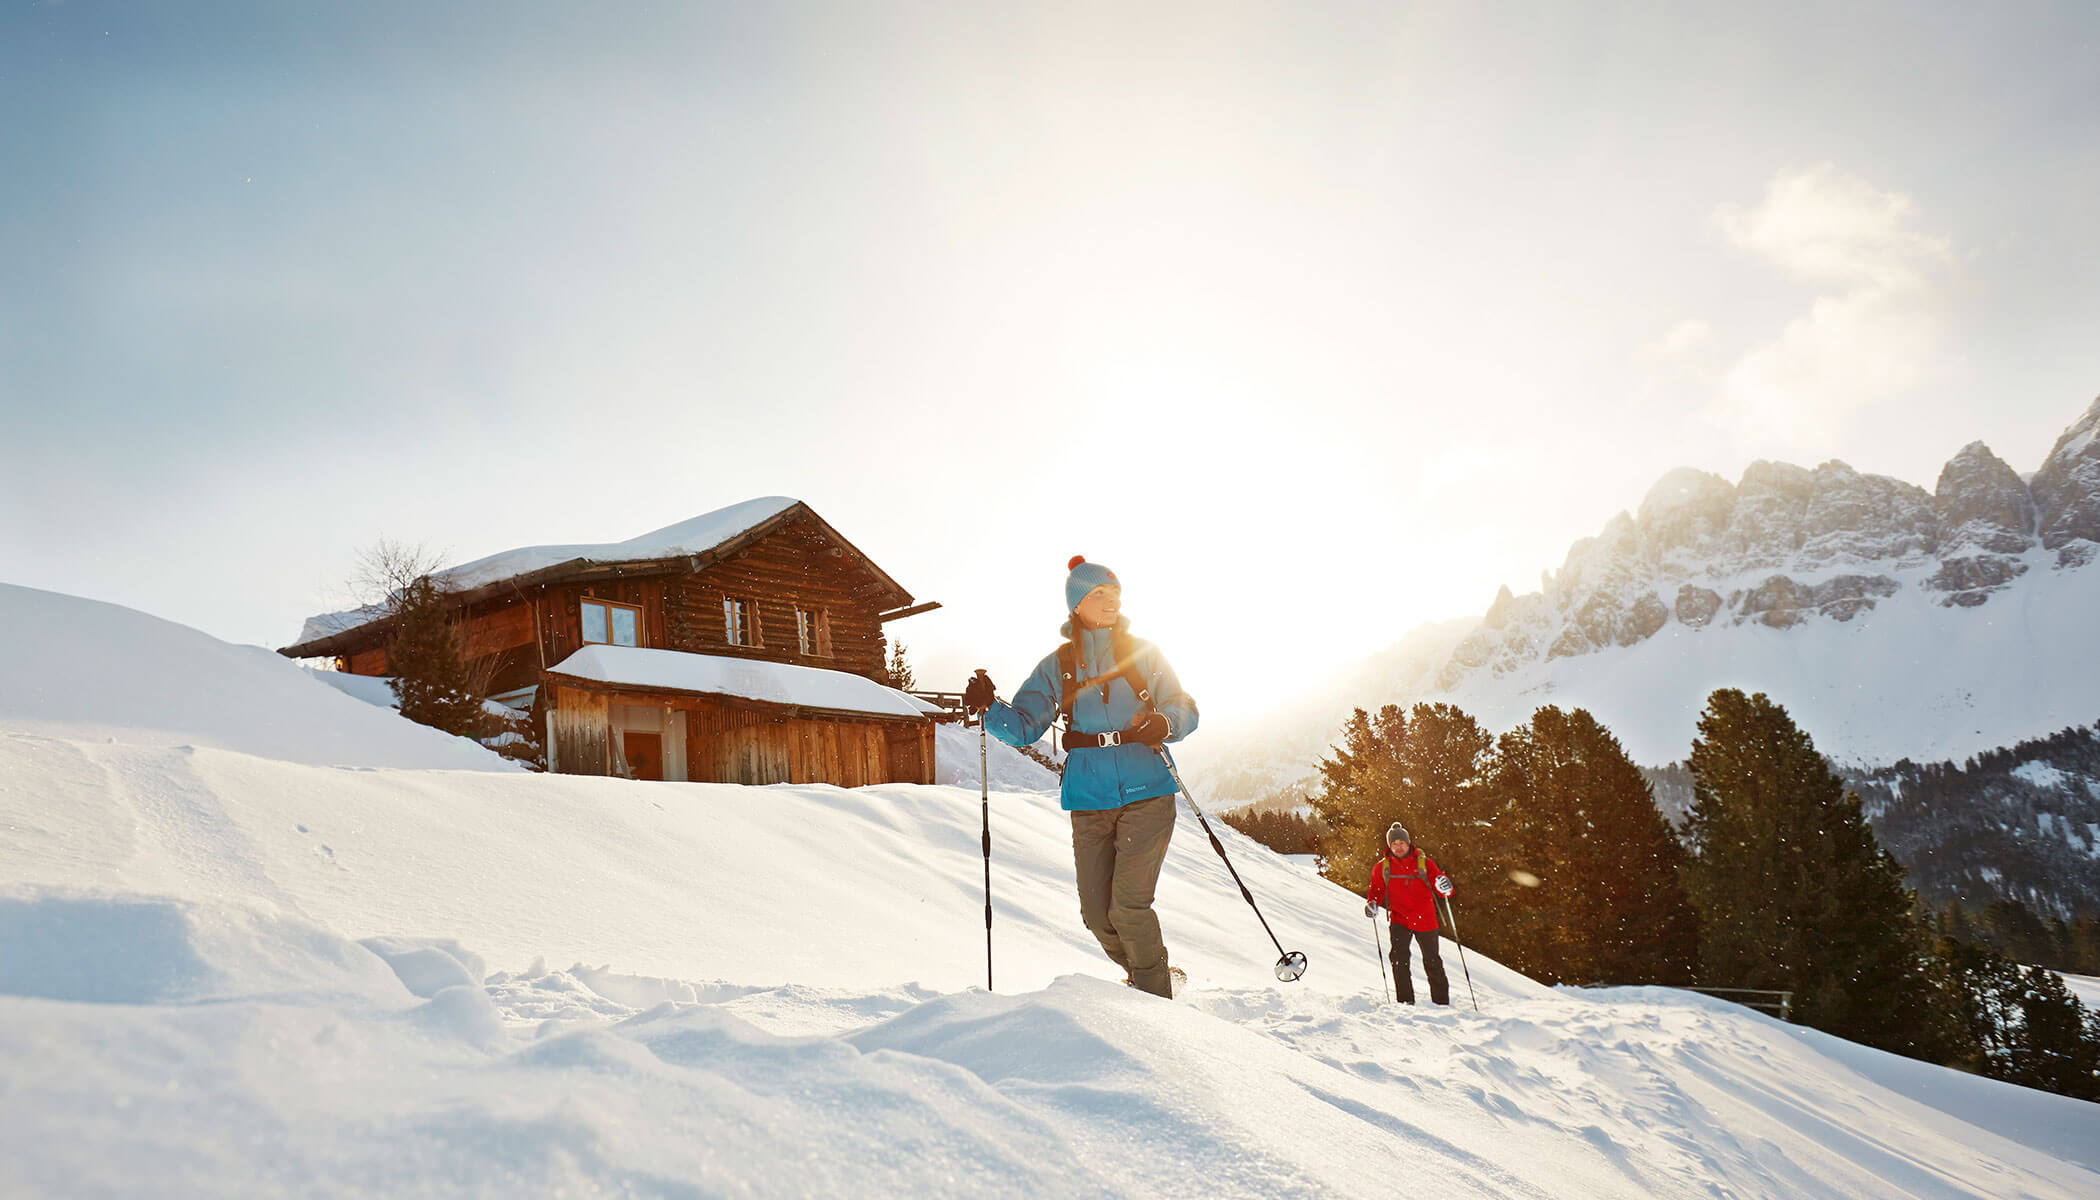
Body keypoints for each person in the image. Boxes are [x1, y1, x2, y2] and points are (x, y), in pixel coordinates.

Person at [962, 556, 1199, 998]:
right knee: (1096, 914)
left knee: (1128, 908)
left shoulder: (1143, 653)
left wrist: (1166, 723)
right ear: (1077, 604)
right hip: (1088, 797)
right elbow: (1024, 727)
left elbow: (1184, 706)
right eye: (1099, 595)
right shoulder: (1059, 665)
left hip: (1148, 790)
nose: (1111, 602)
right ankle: (1154, 977)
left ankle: (1157, 1006)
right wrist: (989, 707)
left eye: (1115, 595)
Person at [1365, 823, 1455, 1005]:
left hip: (1426, 920)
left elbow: (1442, 888)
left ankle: (1441, 1004)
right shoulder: (1382, 867)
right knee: (1399, 960)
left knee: (1432, 961)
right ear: (1389, 846)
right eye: (1394, 843)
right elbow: (1376, 891)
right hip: (1400, 919)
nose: (1398, 847)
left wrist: (1445, 887)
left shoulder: (1424, 863)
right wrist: (1372, 904)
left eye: (1401, 843)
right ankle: (1405, 1004)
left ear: (1408, 843)